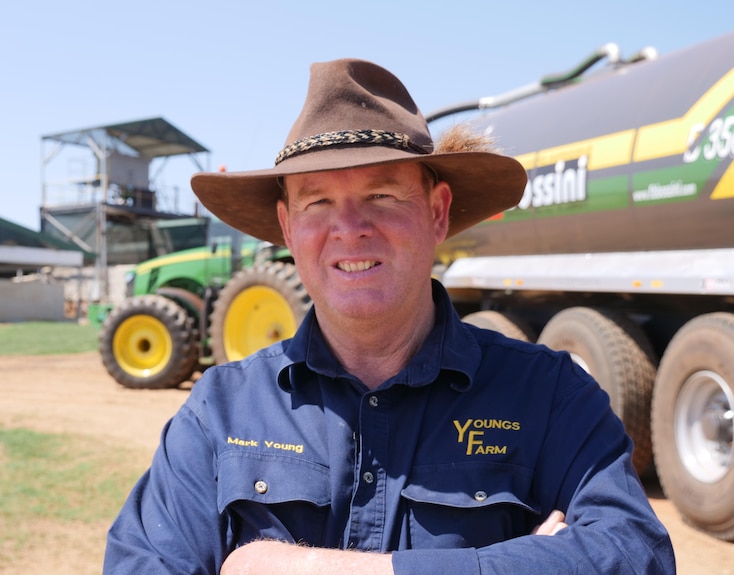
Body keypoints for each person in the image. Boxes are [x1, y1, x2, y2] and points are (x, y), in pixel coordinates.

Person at [103, 58, 674, 575]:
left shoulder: (549, 395)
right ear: (286, 228)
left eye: (381, 196)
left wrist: (292, 568)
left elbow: (635, 557)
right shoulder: (220, 410)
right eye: (317, 202)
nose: (350, 228)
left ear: (437, 213)